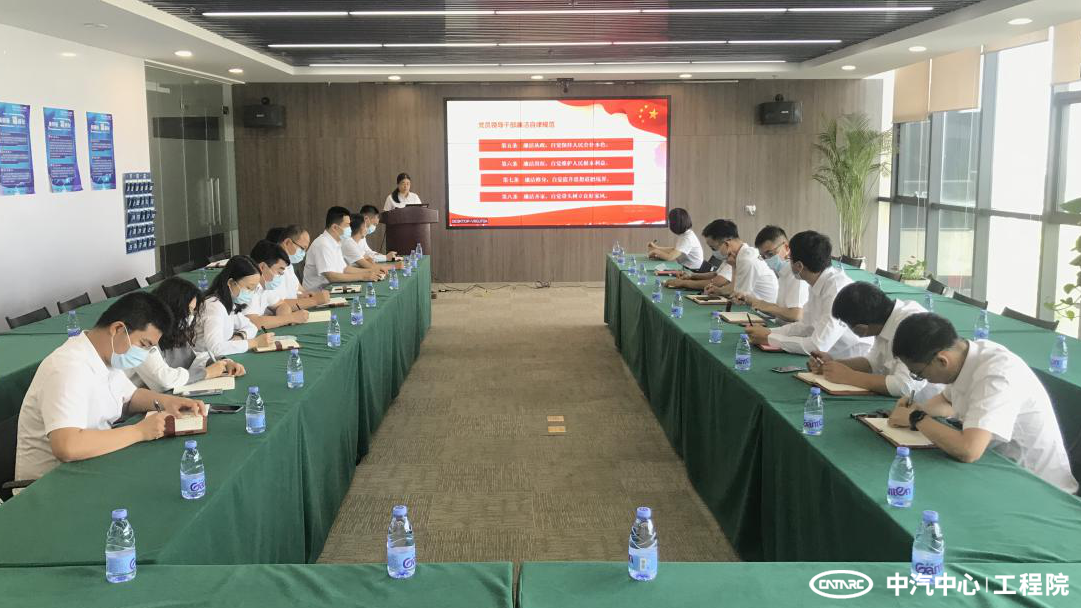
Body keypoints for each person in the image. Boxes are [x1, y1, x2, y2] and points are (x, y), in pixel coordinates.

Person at [15, 292, 209, 485]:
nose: (143, 354)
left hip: (91, 466)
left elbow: (131, 396)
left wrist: (170, 402)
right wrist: (139, 431)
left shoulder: (107, 356)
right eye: (143, 344)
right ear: (117, 329)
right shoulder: (67, 368)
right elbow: (67, 447)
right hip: (51, 485)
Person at [888, 313, 1078, 494]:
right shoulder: (965, 356)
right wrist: (919, 409)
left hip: (1038, 487)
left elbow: (968, 450)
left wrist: (917, 418)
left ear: (942, 361)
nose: (922, 379)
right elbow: (947, 401)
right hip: (998, 468)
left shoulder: (997, 376)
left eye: (919, 374)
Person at [743, 231, 871, 359]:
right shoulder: (817, 282)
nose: (788, 262)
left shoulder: (837, 291)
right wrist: (769, 332)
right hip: (830, 357)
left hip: (853, 361)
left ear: (799, 266)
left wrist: (770, 339)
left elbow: (817, 346)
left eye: (790, 259)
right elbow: (805, 326)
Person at [806, 281, 935, 399]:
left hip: (926, 405)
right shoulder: (884, 318)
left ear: (862, 328)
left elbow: (904, 386)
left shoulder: (913, 327)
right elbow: (873, 364)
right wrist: (832, 365)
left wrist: (849, 376)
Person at [128, 277, 246, 393]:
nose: (191, 317)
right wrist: (206, 373)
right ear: (173, 308)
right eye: (188, 310)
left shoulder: (174, 331)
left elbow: (192, 359)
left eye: (193, 311)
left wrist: (223, 362)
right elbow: (163, 381)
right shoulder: (144, 335)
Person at [194, 255, 276, 357]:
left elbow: (251, 326)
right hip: (202, 361)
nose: (251, 293)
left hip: (220, 358)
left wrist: (240, 336)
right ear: (231, 283)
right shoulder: (214, 307)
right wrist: (254, 342)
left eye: (254, 289)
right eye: (249, 287)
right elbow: (215, 349)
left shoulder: (229, 303)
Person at [732, 225, 808, 322]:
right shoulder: (782, 274)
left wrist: (761, 304)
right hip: (780, 326)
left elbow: (795, 315)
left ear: (786, 248)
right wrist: (751, 301)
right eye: (763, 256)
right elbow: (780, 311)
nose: (767, 259)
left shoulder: (796, 275)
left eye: (770, 254)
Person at [302, 206, 384, 292]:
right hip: (318, 293)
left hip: (333, 288)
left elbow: (344, 269)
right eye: (347, 225)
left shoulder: (336, 242)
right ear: (335, 227)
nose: (350, 228)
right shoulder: (322, 244)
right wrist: (363, 276)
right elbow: (331, 276)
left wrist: (371, 271)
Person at [695, 220, 777, 302]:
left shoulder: (746, 260)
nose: (714, 252)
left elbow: (738, 297)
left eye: (713, 248)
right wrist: (719, 291)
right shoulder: (741, 254)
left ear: (727, 244)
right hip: (753, 304)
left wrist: (734, 267)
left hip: (762, 309)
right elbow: (734, 288)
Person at [246, 240, 310, 330]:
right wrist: (290, 318)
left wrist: (284, 319)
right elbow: (253, 322)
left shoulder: (264, 286)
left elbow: (282, 305)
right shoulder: (247, 286)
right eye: (279, 272)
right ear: (262, 267)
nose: (280, 276)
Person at [266, 225, 331, 310]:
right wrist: (314, 300)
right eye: (302, 248)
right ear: (287, 242)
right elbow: (278, 304)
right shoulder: (271, 266)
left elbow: (297, 290)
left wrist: (304, 295)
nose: (304, 253)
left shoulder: (289, 265)